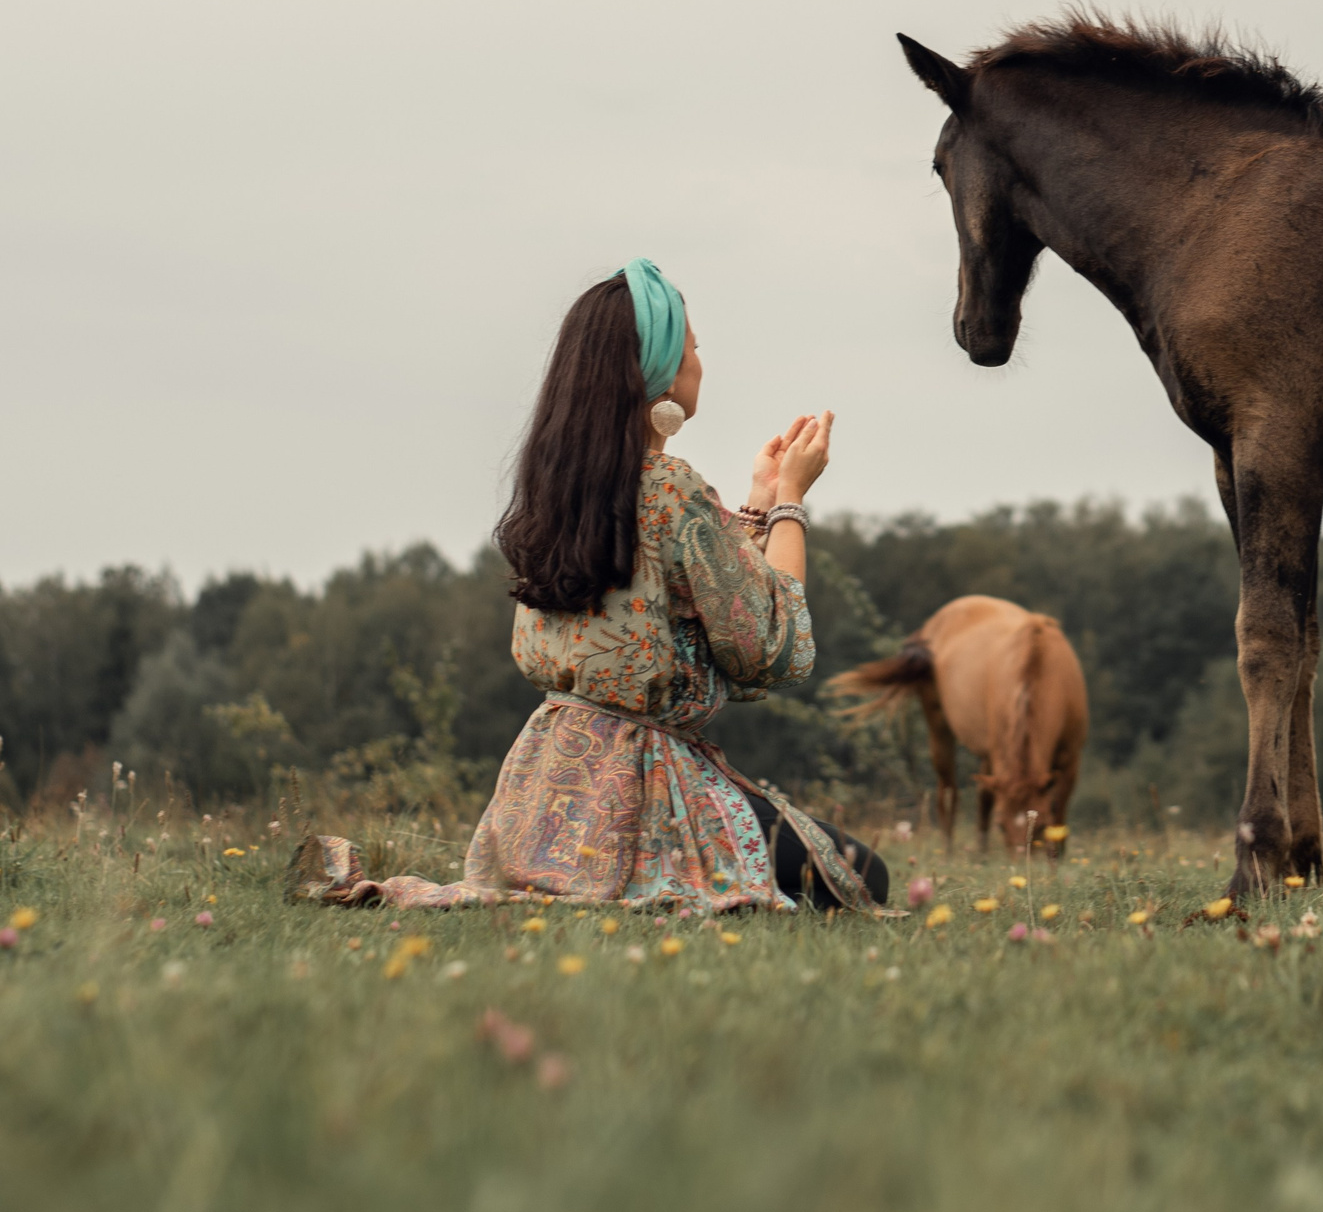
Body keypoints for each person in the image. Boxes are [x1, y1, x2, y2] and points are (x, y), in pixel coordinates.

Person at [291, 259, 891, 913]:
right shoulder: (669, 490)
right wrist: (791, 504)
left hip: (543, 785)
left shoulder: (561, 489)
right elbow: (770, 644)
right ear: (658, 371)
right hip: (645, 785)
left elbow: (701, 594)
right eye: (692, 346)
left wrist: (757, 500)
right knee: (860, 875)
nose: (699, 361)